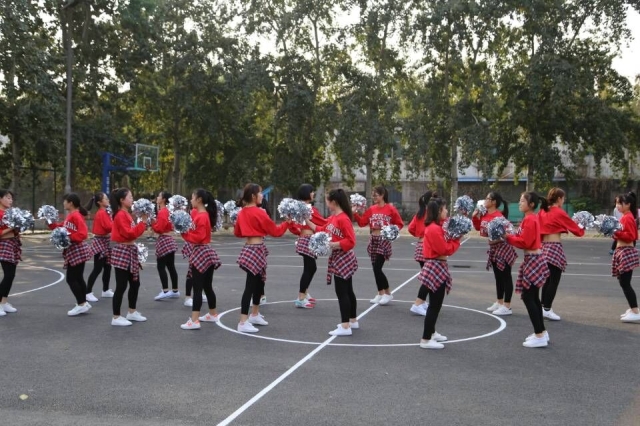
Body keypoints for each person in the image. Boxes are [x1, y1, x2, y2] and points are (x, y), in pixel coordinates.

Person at [233, 184, 290, 333]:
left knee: (258, 283)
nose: (262, 195)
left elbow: (237, 233)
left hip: (250, 248)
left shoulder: (241, 212)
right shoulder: (259, 212)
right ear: (253, 196)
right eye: (260, 193)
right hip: (256, 249)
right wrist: (287, 223)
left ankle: (254, 314)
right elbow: (275, 231)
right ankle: (243, 321)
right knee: (251, 285)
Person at [305, 189, 358, 336]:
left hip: (343, 257)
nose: (327, 204)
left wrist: (335, 244)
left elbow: (351, 241)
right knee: (348, 290)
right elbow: (321, 230)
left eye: (327, 201)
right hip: (339, 256)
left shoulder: (343, 218)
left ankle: (345, 326)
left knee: (342, 292)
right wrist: (306, 220)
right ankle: (352, 320)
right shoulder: (334, 217)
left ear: (334, 202)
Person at [505, 192, 550, 348]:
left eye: (522, 201)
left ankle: (539, 335)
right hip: (533, 259)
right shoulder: (530, 218)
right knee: (533, 297)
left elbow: (526, 242)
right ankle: (541, 331)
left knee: (528, 297)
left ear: (531, 204)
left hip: (533, 259)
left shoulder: (530, 219)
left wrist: (508, 237)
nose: (520, 203)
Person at [418, 197, 462, 349]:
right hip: (435, 266)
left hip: (436, 265)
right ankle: (425, 339)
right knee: (434, 305)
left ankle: (432, 332)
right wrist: (457, 240)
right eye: (444, 209)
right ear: (438, 211)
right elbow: (444, 249)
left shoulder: (436, 227)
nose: (447, 211)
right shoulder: (434, 229)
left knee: (435, 304)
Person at [538, 188, 585, 321]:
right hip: (554, 247)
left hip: (543, 247)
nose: (563, 201)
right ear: (559, 199)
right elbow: (576, 230)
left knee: (547, 280)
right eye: (563, 199)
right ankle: (547, 309)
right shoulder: (559, 211)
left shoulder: (542, 211)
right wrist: (583, 226)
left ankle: (543, 307)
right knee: (554, 280)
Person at [179, 189, 222, 330]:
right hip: (205, 252)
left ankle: (194, 320)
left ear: (199, 200)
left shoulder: (202, 216)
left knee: (197, 288)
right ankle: (213, 313)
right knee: (207, 286)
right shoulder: (202, 215)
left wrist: (184, 233)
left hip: (201, 252)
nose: (191, 200)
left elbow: (198, 237)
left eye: (192, 197)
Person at [353, 186, 404, 305]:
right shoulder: (372, 209)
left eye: (376, 195)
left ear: (382, 195)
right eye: (373, 195)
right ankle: (380, 293)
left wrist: (391, 232)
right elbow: (362, 223)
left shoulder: (390, 209)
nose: (374, 197)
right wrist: (355, 213)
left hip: (383, 240)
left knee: (377, 268)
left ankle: (388, 293)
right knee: (374, 269)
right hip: (373, 239)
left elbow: (399, 224)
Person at [47, 193, 93, 316]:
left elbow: (83, 234)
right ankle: (84, 302)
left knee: (71, 279)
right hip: (74, 250)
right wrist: (49, 221)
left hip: (77, 249)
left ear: (70, 203)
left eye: (65, 201)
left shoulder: (76, 215)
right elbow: (59, 227)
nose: (63, 203)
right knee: (78, 278)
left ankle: (81, 304)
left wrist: (68, 237)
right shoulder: (71, 216)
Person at [472, 192, 517, 316]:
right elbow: (479, 229)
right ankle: (499, 302)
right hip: (493, 248)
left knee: (506, 276)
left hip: (503, 247)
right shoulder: (485, 214)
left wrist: (496, 240)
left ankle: (507, 306)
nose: (485, 200)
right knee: (498, 276)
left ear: (493, 202)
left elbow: (507, 233)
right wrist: (475, 217)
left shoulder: (498, 216)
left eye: (487, 198)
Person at [109, 188, 149, 326]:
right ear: (122, 200)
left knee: (135, 283)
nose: (132, 199)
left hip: (130, 250)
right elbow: (129, 234)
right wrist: (143, 222)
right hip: (123, 251)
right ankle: (116, 317)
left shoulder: (127, 214)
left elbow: (133, 233)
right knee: (121, 285)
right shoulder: (120, 215)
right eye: (130, 197)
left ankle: (132, 312)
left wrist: (143, 222)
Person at [287, 184, 327, 308]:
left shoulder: (298, 208)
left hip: (303, 239)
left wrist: (300, 232)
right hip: (309, 240)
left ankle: (304, 293)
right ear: (306, 193)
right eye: (311, 191)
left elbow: (292, 226)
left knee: (310, 268)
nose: (313, 193)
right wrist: (335, 220)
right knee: (310, 268)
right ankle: (301, 297)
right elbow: (323, 222)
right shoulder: (310, 209)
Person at [407, 190, 437, 316]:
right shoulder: (432, 214)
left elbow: (410, 228)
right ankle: (418, 304)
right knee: (428, 277)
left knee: (427, 277)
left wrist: (419, 234)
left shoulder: (419, 214)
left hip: (420, 246)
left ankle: (423, 301)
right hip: (427, 247)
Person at [612, 192, 640, 322]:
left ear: (628, 204)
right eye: (616, 203)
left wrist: (616, 232)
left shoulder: (627, 217)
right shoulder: (626, 216)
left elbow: (631, 236)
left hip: (626, 251)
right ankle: (633, 309)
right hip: (623, 251)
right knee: (624, 282)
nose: (617, 206)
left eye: (620, 203)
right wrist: (613, 232)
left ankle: (635, 311)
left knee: (625, 283)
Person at [85, 192, 114, 302]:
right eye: (105, 199)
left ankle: (105, 290)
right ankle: (87, 292)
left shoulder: (106, 212)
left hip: (105, 241)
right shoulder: (101, 213)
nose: (108, 200)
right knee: (97, 268)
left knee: (107, 267)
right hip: (100, 242)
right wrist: (117, 224)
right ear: (99, 202)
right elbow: (108, 227)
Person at [151, 191, 180, 301]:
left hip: (164, 240)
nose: (157, 197)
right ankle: (175, 290)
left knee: (161, 266)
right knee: (171, 266)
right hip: (169, 240)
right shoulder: (167, 211)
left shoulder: (163, 211)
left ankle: (165, 290)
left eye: (159, 196)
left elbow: (160, 228)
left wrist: (153, 223)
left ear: (163, 199)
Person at [0, 189, 23, 316]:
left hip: (12, 244)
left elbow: (14, 231)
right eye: (8, 198)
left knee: (11, 275)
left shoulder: (10, 213)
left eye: (11, 198)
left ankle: (4, 302)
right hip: (4, 245)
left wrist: (19, 228)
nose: (10, 200)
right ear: (0, 199)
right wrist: (12, 227)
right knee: (8, 275)